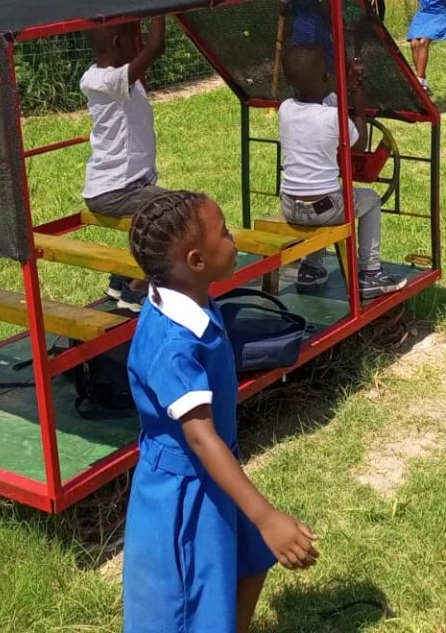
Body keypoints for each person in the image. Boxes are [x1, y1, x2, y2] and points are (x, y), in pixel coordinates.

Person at [123, 190, 318, 633]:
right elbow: (199, 437)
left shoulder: (185, 295)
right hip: (185, 495)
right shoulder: (174, 345)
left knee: (250, 560)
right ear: (195, 261)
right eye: (226, 233)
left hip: (211, 475)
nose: (233, 240)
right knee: (189, 607)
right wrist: (266, 516)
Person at [277, 44, 405, 301]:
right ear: (326, 76)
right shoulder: (333, 118)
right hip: (325, 208)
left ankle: (311, 270)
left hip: (289, 206)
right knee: (369, 199)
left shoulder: (286, 109)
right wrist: (359, 111)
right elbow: (357, 143)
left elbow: (328, 101)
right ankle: (370, 272)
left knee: (318, 205)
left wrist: (349, 84)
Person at [80, 14, 168, 311]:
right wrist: (161, 7)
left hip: (117, 184)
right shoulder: (110, 80)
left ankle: (122, 278)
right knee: (182, 210)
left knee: (153, 218)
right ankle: (137, 290)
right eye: (134, 38)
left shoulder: (103, 76)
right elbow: (156, 48)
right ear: (119, 43)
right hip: (118, 190)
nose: (139, 44)